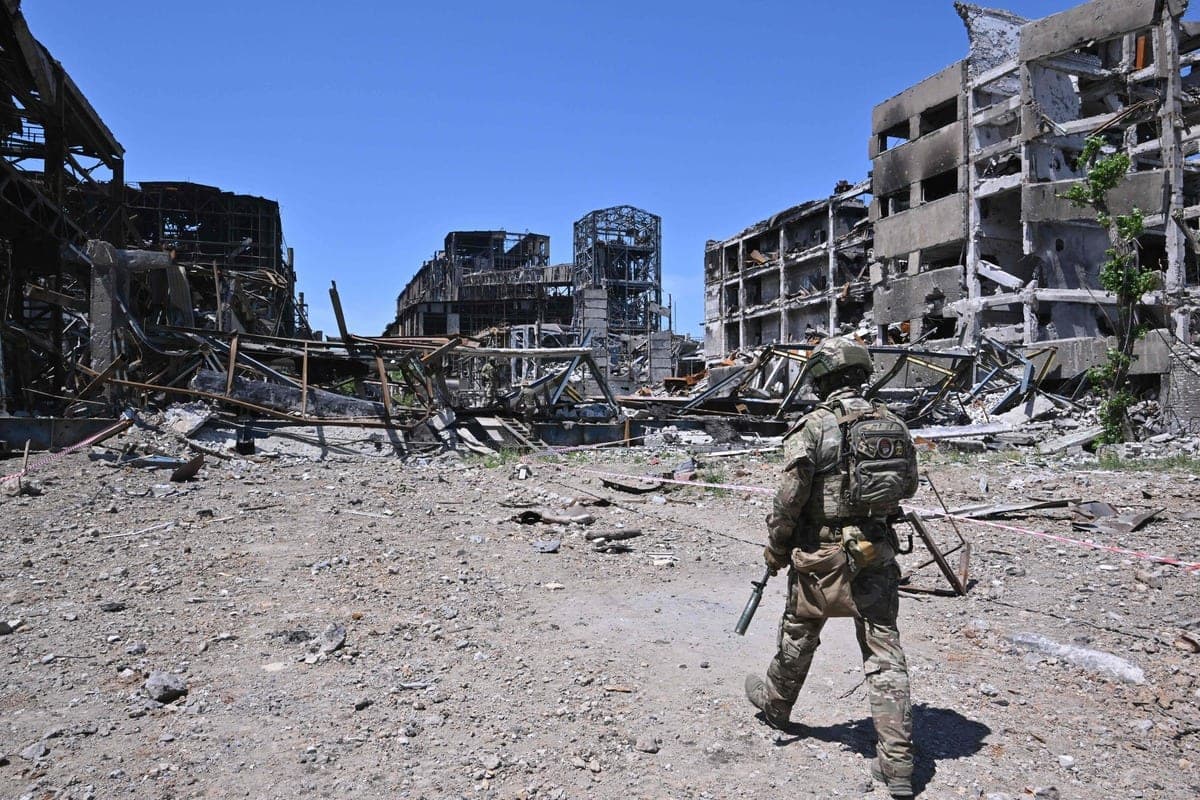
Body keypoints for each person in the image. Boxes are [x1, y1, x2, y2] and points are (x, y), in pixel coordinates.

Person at [744, 336, 917, 798]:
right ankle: (898, 764)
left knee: (800, 631)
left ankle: (777, 708)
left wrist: (776, 547)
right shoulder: (893, 424)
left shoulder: (814, 427)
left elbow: (789, 500)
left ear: (821, 378)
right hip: (875, 552)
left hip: (820, 557)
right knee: (884, 652)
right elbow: (909, 487)